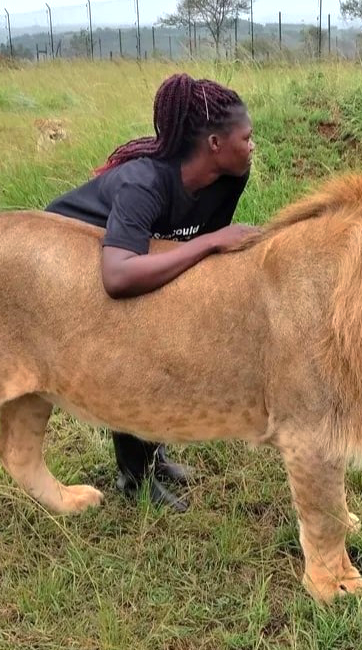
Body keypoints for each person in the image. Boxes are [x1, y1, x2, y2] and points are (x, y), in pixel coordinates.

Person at [44, 72, 256, 511]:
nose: (253, 146)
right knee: (133, 352)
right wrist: (211, 242)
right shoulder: (143, 183)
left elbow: (189, 248)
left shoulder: (231, 176)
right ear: (215, 143)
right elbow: (118, 276)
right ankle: (133, 477)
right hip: (66, 264)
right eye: (247, 137)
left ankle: (152, 455)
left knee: (166, 339)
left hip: (131, 256)